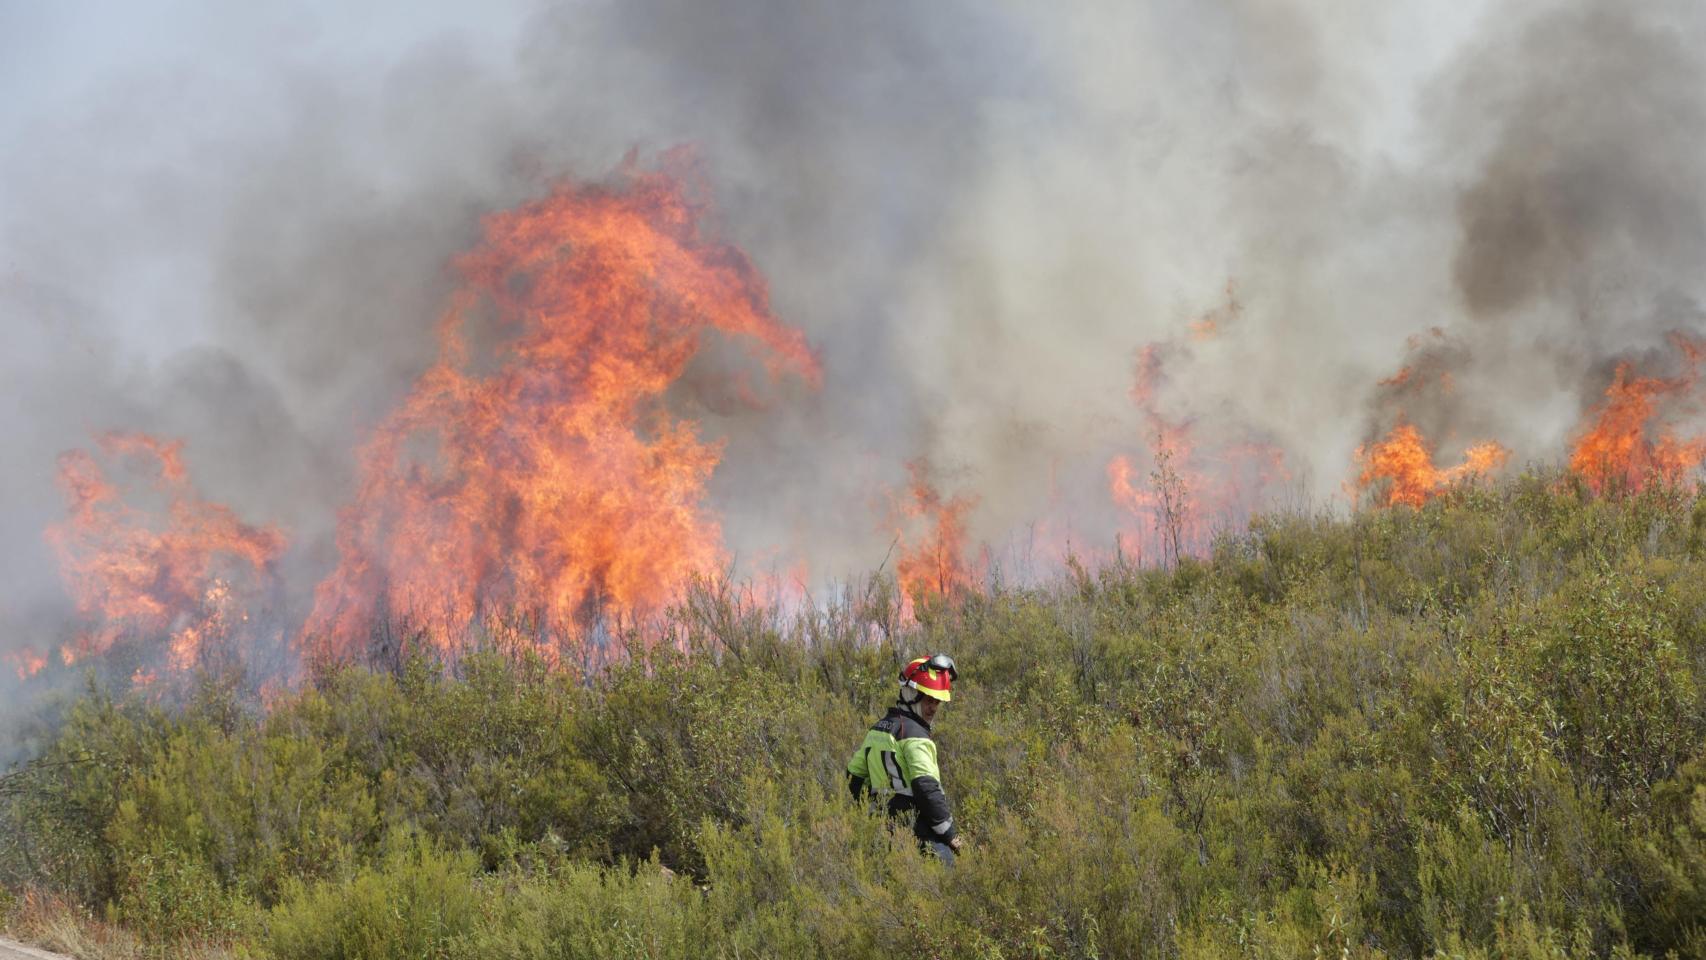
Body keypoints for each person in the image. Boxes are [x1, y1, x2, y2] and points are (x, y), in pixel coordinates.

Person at [845, 654, 963, 862]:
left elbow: (852, 778)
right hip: (919, 836)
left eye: (937, 701)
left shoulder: (877, 730)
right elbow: (926, 789)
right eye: (929, 699)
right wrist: (950, 836)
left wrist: (874, 812)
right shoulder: (916, 736)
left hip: (882, 836)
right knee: (950, 877)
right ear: (910, 693)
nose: (933, 707)